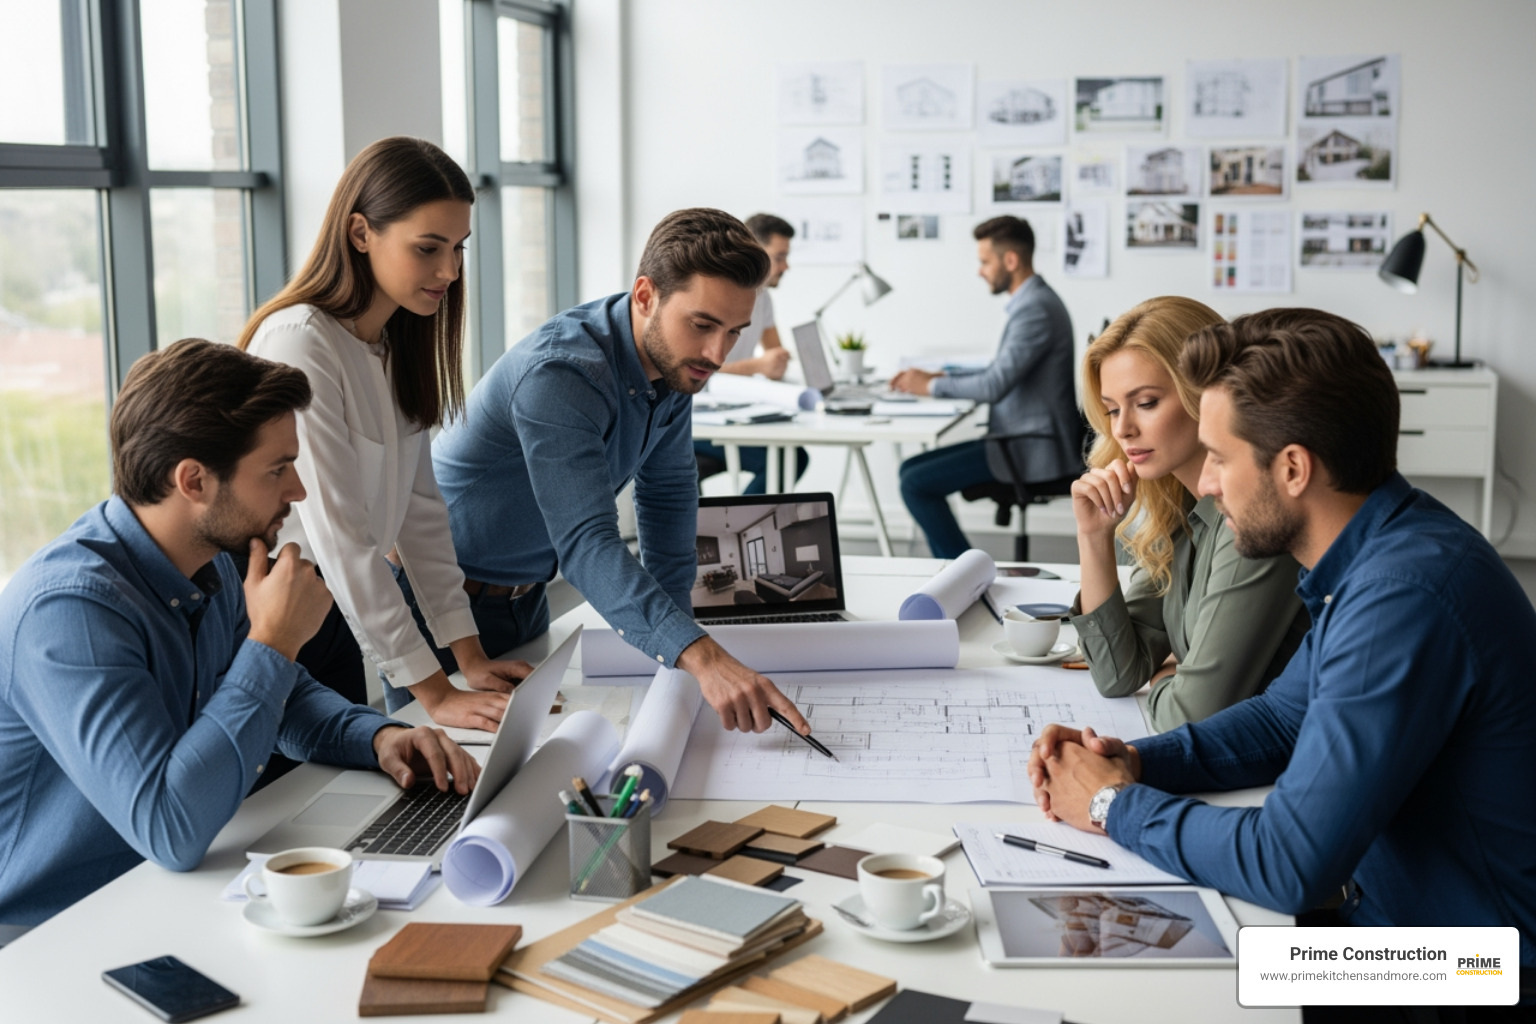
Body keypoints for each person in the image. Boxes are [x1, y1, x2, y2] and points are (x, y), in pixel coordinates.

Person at [1029, 309, 1536, 981]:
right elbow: (1278, 718)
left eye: (1219, 457)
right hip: (1392, 922)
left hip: (1472, 967)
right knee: (1157, 959)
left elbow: (1288, 861)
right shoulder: (1379, 553)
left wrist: (1109, 804)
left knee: (1173, 979)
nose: (1205, 484)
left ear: (1293, 468)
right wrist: (1131, 763)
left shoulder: (1402, 597)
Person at [0, 339, 478, 929]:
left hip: (169, 889)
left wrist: (377, 737)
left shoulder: (215, 560)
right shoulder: (69, 613)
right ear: (194, 481)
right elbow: (170, 827)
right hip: (53, 931)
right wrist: (273, 642)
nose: (298, 490)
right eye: (277, 469)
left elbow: (278, 696)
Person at [428, 208, 811, 735]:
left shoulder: (675, 363)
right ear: (646, 295)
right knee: (448, 784)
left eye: (734, 332)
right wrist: (701, 658)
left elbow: (668, 493)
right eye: (702, 325)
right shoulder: (562, 373)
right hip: (442, 607)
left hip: (526, 598)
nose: (717, 354)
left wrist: (680, 644)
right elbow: (586, 540)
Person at [240, 136, 531, 733]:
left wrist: (469, 658)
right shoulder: (301, 340)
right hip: (275, 610)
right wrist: (435, 694)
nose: (449, 271)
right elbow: (342, 536)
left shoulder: (395, 343)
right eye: (428, 248)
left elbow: (420, 512)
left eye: (457, 249)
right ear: (360, 233)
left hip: (335, 612)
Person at [1068, 297, 1309, 731]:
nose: (1122, 429)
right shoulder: (1175, 506)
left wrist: (1166, 680)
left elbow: (1192, 715)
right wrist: (1093, 537)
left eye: (1145, 402)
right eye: (1112, 409)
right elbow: (1117, 673)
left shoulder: (1252, 518)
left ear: (1205, 394)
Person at [891, 215, 1080, 558]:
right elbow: (1001, 371)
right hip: (1020, 436)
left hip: (1028, 447)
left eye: (984, 262)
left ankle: (963, 571)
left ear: (1010, 260)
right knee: (909, 470)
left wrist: (931, 387)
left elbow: (994, 385)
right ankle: (960, 566)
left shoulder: (1035, 309)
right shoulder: (1033, 302)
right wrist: (936, 378)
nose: (980, 271)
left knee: (914, 483)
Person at [694, 212, 809, 494]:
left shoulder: (763, 298)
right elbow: (696, 369)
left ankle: (740, 529)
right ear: (756, 252)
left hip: (731, 412)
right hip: (697, 420)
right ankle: (737, 531)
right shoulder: (719, 296)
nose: (786, 266)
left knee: (792, 456)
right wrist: (759, 366)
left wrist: (775, 363)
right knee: (789, 458)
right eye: (779, 257)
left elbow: (775, 354)